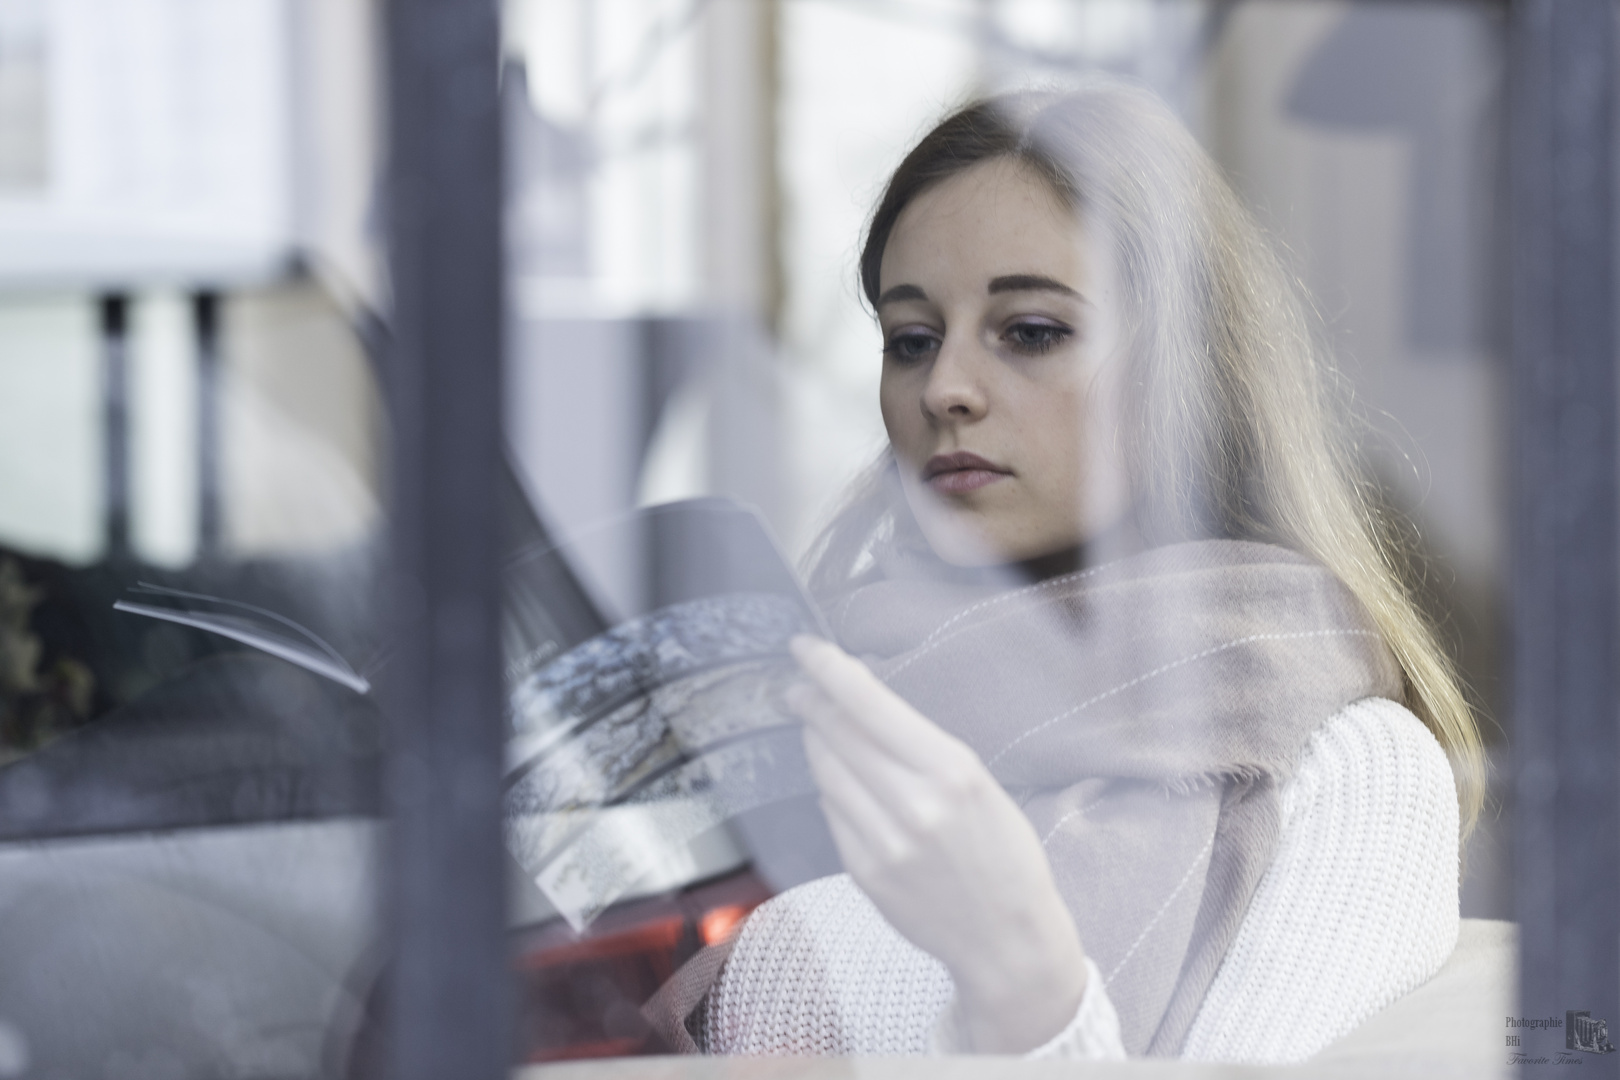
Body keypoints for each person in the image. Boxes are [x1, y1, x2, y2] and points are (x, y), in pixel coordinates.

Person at [680, 82, 1484, 1062]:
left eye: (1030, 331)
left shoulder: (1349, 763)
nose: (946, 390)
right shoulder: (828, 697)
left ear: (1190, 365)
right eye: (912, 341)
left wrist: (1023, 980)